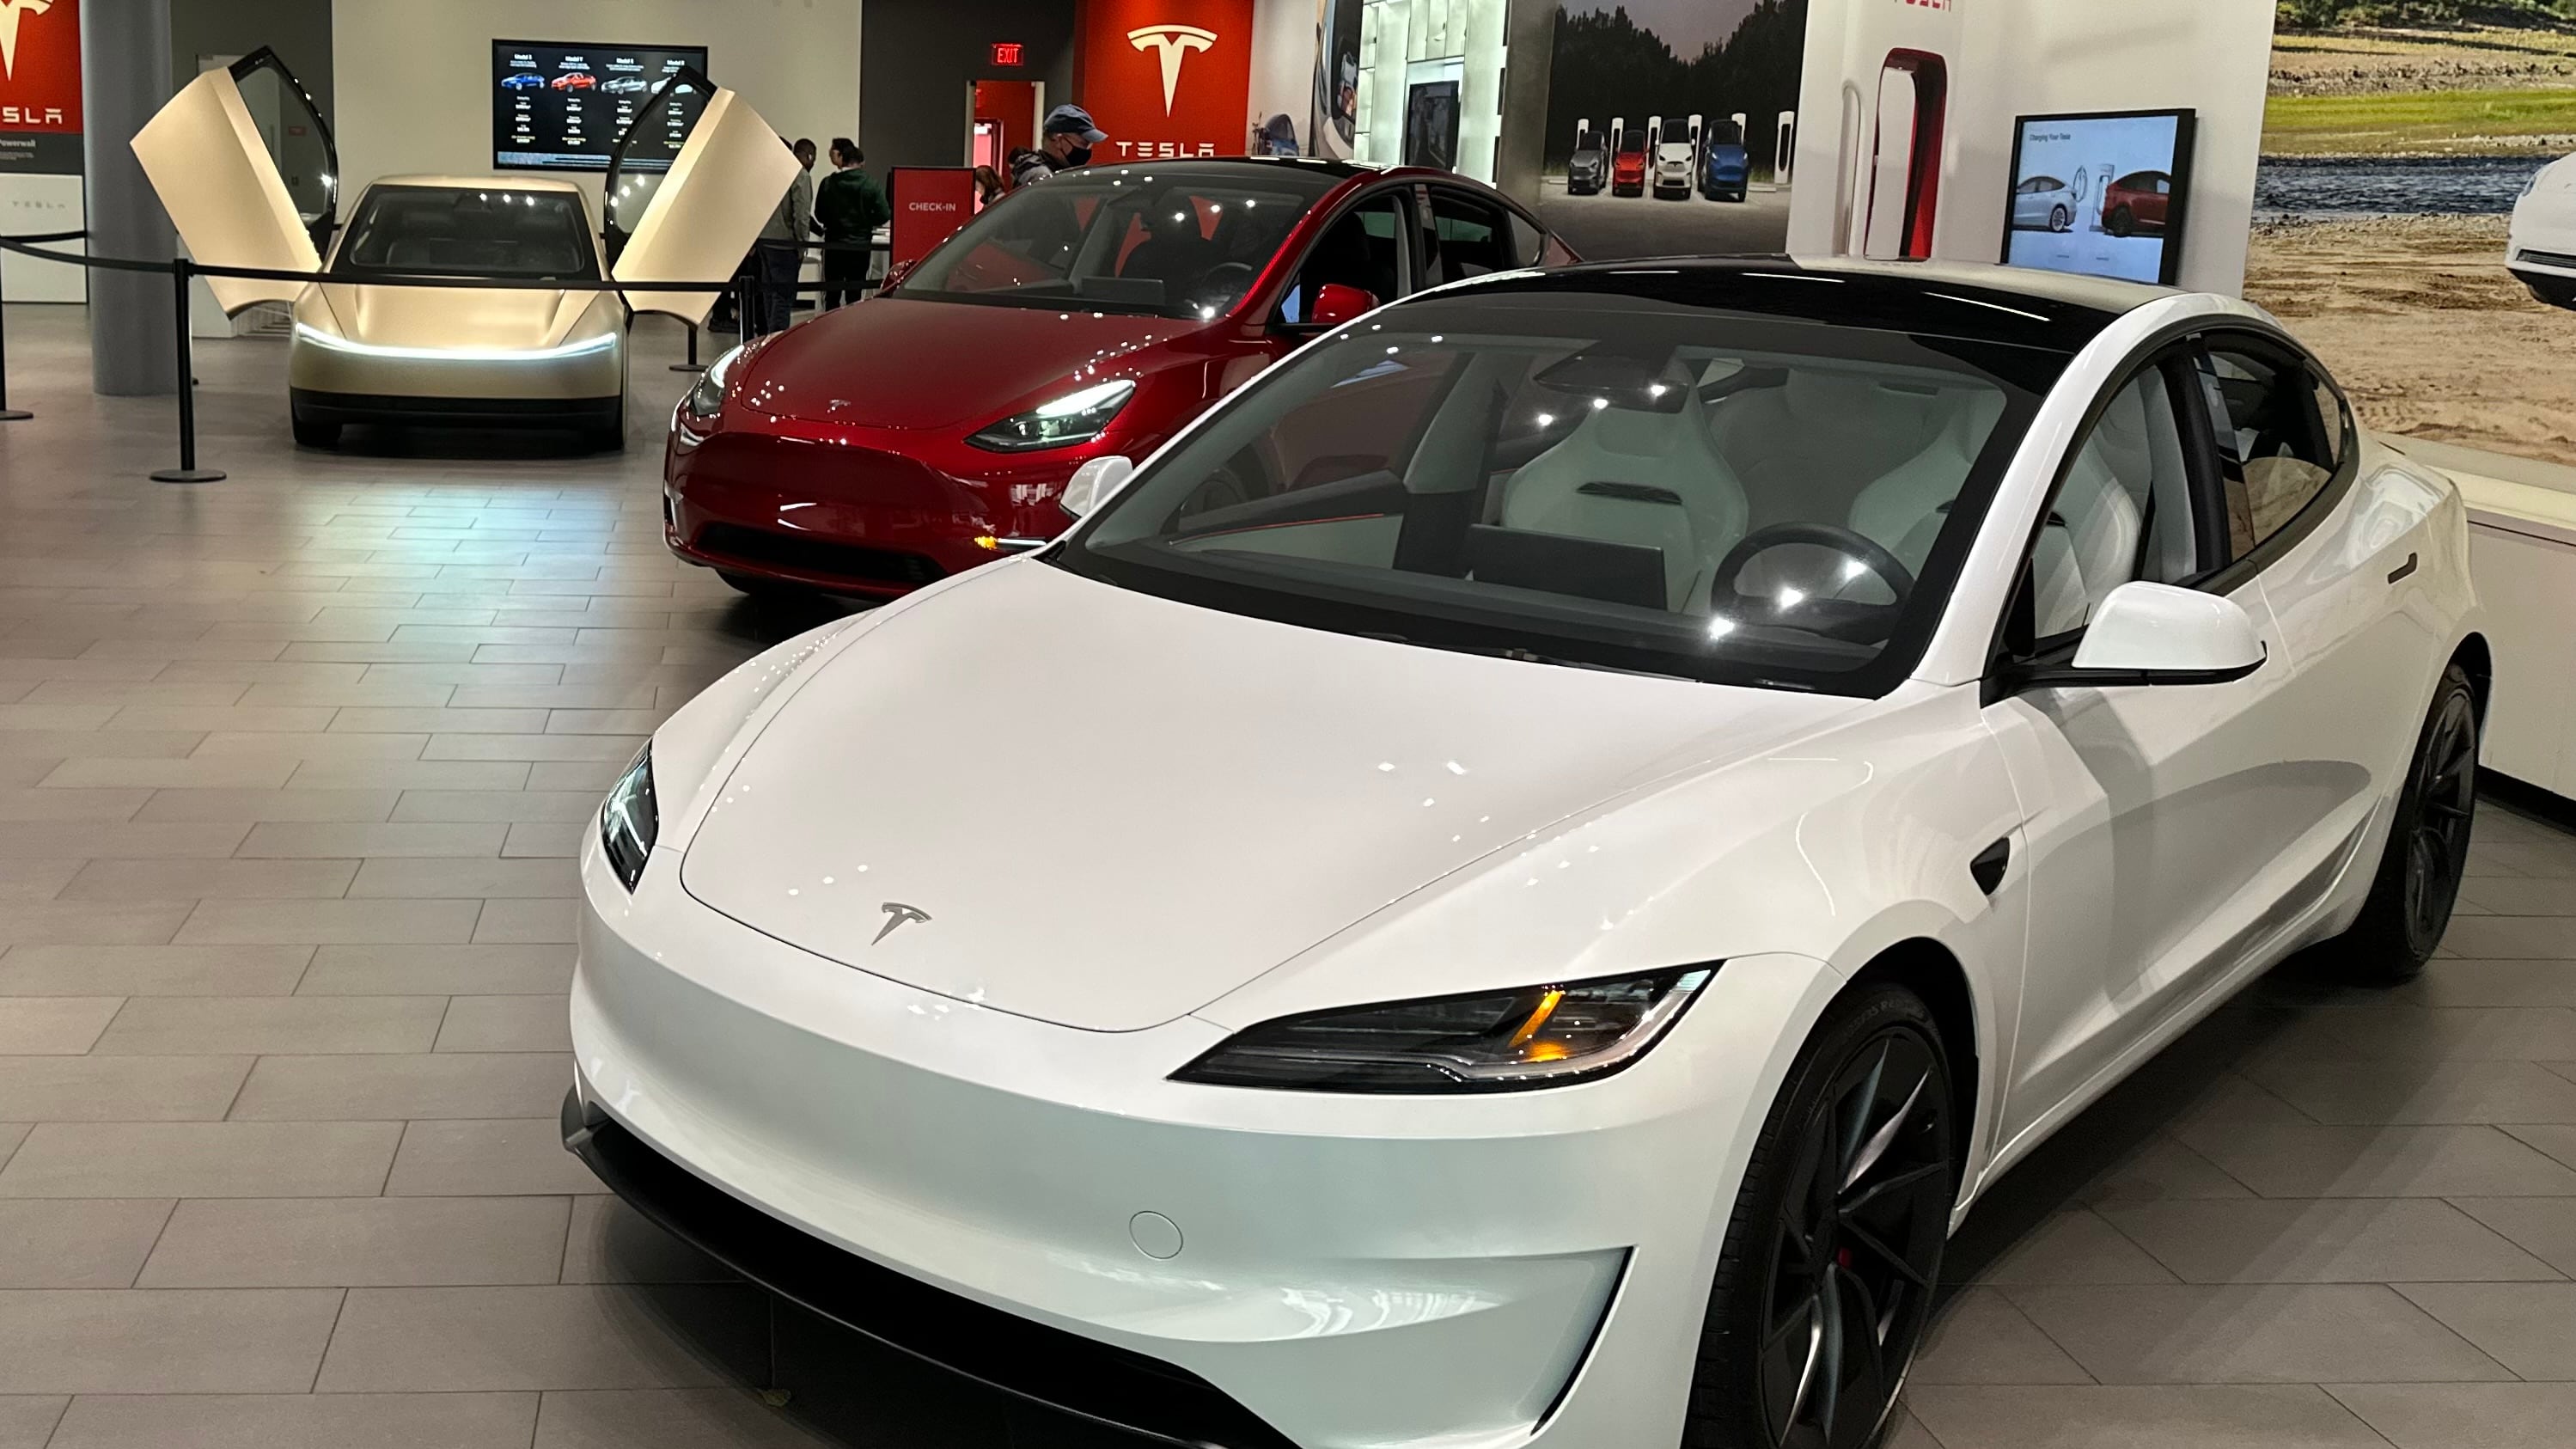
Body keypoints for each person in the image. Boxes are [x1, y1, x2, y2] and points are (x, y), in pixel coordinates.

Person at [815, 138, 891, 309]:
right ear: (861, 163)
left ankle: (829, 329)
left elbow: (819, 214)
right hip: (859, 245)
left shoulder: (828, 183)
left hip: (833, 244)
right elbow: (884, 214)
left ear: (843, 161)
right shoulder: (871, 184)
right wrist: (866, 222)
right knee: (855, 293)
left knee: (832, 293)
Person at [752, 134, 815, 334]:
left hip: (764, 241)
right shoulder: (799, 175)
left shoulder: (764, 175)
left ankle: (767, 338)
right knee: (783, 296)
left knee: (769, 294)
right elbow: (801, 214)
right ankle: (776, 339)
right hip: (785, 243)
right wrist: (802, 244)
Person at [1008, 104, 1106, 188]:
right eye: (1083, 144)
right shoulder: (1043, 178)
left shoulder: (1039, 169)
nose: (1086, 150)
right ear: (1058, 140)